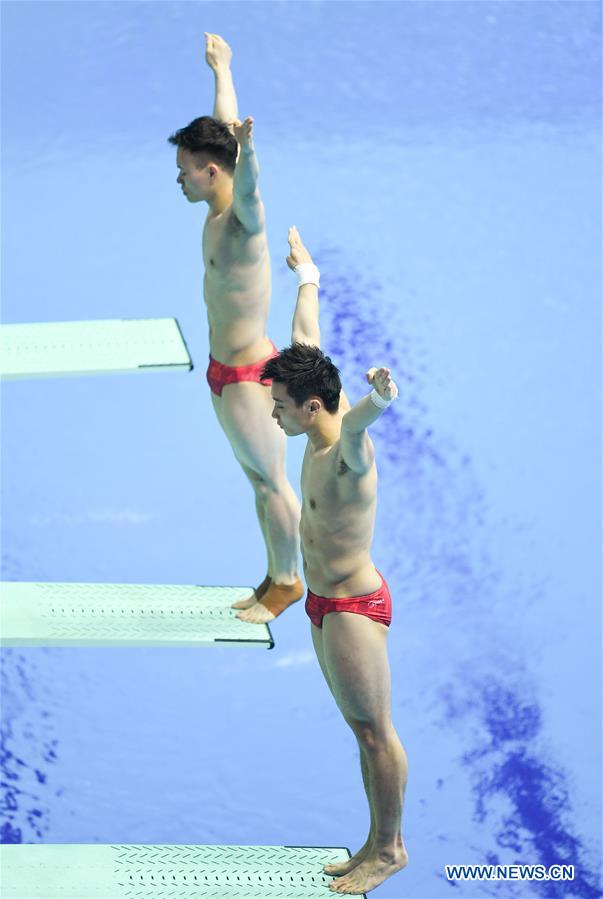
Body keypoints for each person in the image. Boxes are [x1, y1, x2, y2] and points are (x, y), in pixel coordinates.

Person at [261, 226, 409, 895]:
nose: (272, 414)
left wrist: (379, 396)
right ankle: (371, 842)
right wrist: (307, 273)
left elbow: (356, 425)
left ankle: (388, 848)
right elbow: (305, 332)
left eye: (279, 407)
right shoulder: (313, 393)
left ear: (312, 404)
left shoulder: (345, 448)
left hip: (351, 605)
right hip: (322, 602)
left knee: (375, 733)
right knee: (359, 730)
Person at [168, 34, 302, 623]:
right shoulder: (217, 201)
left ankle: (290, 581)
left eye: (185, 172)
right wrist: (223, 70)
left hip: (250, 377)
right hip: (224, 372)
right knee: (256, 482)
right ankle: (273, 573)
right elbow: (229, 127)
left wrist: (252, 154)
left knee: (272, 484)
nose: (179, 180)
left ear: (213, 171)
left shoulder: (244, 221)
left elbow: (249, 181)